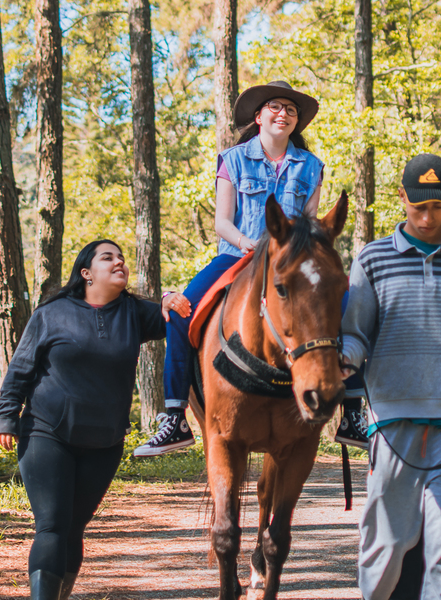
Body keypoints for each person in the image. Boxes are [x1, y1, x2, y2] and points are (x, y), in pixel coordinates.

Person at [133, 79, 369, 455]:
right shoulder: (233, 159)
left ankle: (354, 412)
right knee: (180, 313)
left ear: (296, 122)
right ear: (259, 116)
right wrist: (249, 244)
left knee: (348, 308)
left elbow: (309, 225)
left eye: (291, 110)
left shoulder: (311, 166)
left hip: (291, 262)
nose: (284, 113)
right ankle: (174, 417)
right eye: (275, 107)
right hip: (237, 255)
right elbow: (222, 222)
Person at [340, 154, 441, 600]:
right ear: (402, 199)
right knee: (386, 547)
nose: (428, 218)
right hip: (393, 426)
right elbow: (356, 336)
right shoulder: (372, 258)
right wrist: (339, 362)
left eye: (437, 208)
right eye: (418, 208)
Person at [0, 239, 191, 600]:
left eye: (121, 258)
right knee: (52, 526)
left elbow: (174, 317)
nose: (119, 262)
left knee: (73, 529)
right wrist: (6, 416)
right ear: (86, 273)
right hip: (46, 432)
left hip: (105, 442)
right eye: (108, 258)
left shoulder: (133, 312)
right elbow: (20, 368)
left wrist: (169, 297)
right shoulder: (52, 313)